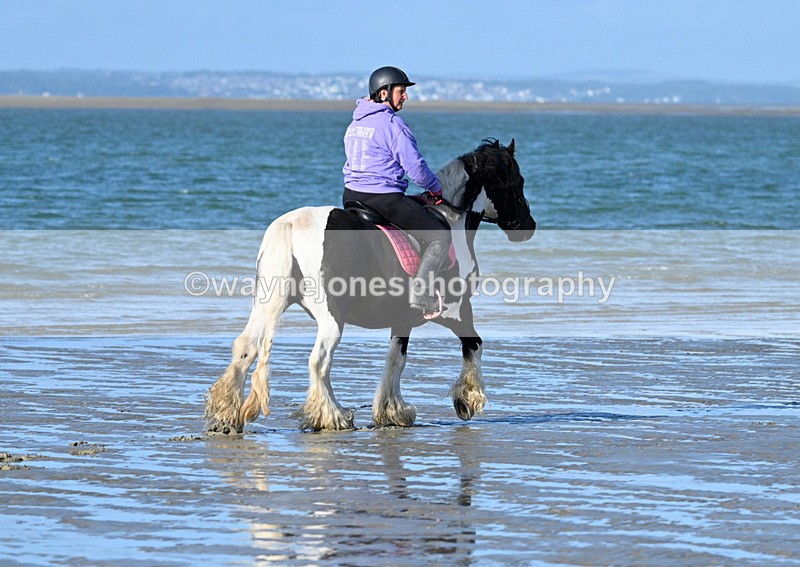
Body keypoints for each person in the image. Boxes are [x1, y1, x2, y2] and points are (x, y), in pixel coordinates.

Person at [342, 66, 450, 319]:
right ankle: (422, 294)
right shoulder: (393, 125)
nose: (406, 96)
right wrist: (435, 188)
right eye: (401, 91)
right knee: (440, 235)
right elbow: (416, 168)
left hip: (350, 195)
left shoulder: (356, 123)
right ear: (383, 94)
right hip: (384, 199)